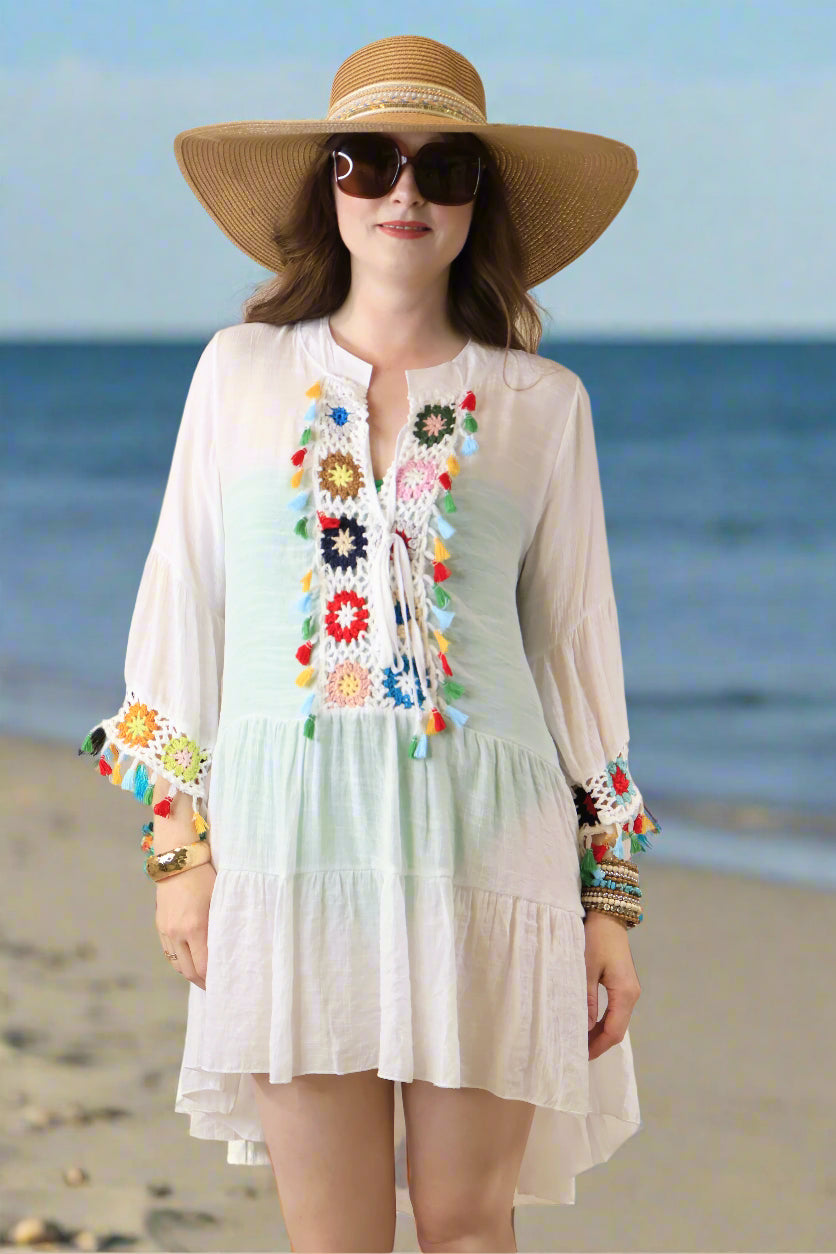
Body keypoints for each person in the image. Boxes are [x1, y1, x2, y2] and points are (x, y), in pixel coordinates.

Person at [78, 33, 662, 1254]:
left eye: (442, 167)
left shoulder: (542, 405)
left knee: (466, 1227)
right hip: (285, 844)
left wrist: (605, 901)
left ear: (476, 201)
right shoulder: (238, 373)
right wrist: (179, 849)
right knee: (332, 1237)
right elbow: (185, 601)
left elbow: (573, 651)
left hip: (488, 846)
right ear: (327, 186)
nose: (404, 192)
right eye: (367, 160)